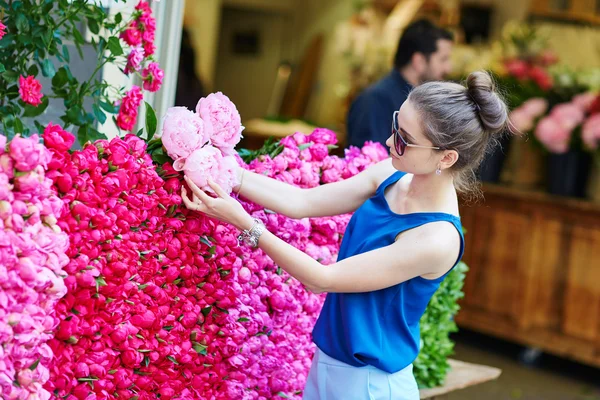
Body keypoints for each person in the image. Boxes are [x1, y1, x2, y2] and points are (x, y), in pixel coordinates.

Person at [181, 71, 509, 400]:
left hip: (371, 384)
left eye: (404, 139)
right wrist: (228, 173)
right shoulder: (393, 173)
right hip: (329, 365)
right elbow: (302, 202)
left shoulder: (437, 238)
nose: (388, 141)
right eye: (396, 124)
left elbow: (323, 278)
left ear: (446, 157)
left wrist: (246, 224)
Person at [346, 19, 454, 149]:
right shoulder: (375, 101)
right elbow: (372, 163)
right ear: (418, 61)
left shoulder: (421, 102)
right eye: (443, 59)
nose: (449, 68)